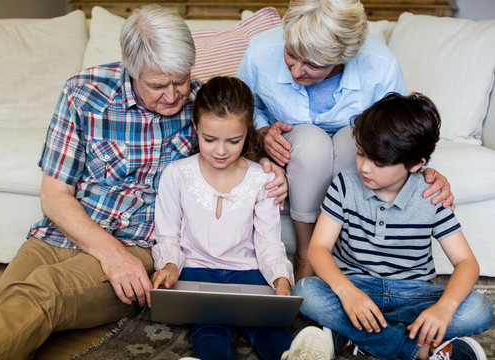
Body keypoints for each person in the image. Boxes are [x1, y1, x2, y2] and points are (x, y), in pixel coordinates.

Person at [0, 6, 287, 360]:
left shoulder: (199, 104)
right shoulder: (83, 94)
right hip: (57, 235)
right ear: (130, 70)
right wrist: (107, 254)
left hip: (133, 245)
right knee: (11, 303)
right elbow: (54, 196)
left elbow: (231, 144)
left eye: (180, 80)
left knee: (42, 293)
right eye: (158, 85)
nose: (174, 95)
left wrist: (266, 158)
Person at [237, 0, 455, 281]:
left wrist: (426, 170)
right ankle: (305, 255)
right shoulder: (260, 50)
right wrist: (262, 132)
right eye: (291, 54)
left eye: (312, 65)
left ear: (342, 57)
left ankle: (343, 256)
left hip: (355, 141)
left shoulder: (380, 65)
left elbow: (401, 127)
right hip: (299, 146)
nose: (295, 71)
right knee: (311, 146)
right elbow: (243, 107)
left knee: (351, 143)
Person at [291, 93, 493, 360]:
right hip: (356, 286)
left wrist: (444, 307)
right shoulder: (344, 184)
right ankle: (418, 348)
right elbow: (318, 249)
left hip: (412, 295)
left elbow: (467, 262)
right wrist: (348, 292)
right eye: (361, 153)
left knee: (479, 308)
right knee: (306, 292)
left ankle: (351, 336)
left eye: (380, 163)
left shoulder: (431, 195)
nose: (364, 167)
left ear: (416, 164)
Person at [151, 76, 295, 360]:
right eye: (209, 139)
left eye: (233, 141)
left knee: (271, 329)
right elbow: (168, 235)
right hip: (196, 269)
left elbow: (268, 242)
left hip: (249, 272)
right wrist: (168, 265)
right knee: (209, 327)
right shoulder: (177, 174)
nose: (220, 151)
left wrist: (281, 279)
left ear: (248, 132)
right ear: (195, 127)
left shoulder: (260, 179)